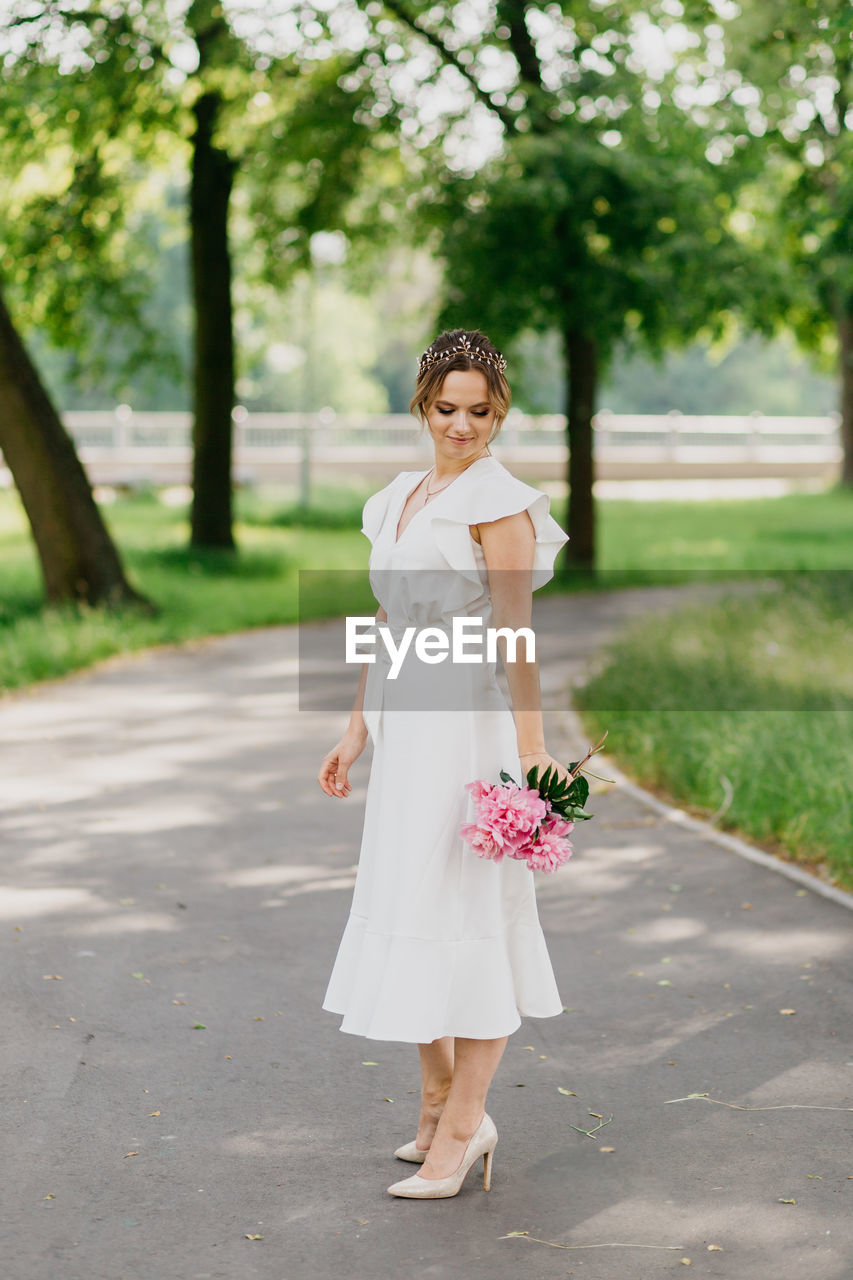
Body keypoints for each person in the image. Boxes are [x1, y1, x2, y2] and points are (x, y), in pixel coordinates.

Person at [317, 328, 571, 1199]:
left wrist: (531, 747)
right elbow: (384, 622)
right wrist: (355, 728)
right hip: (403, 730)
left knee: (467, 911)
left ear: (499, 411)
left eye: (480, 412)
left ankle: (463, 1127)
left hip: (465, 727)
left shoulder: (499, 506)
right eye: (445, 409)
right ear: (422, 405)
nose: (461, 426)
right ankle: (433, 1102)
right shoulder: (395, 499)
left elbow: (514, 635)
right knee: (406, 902)